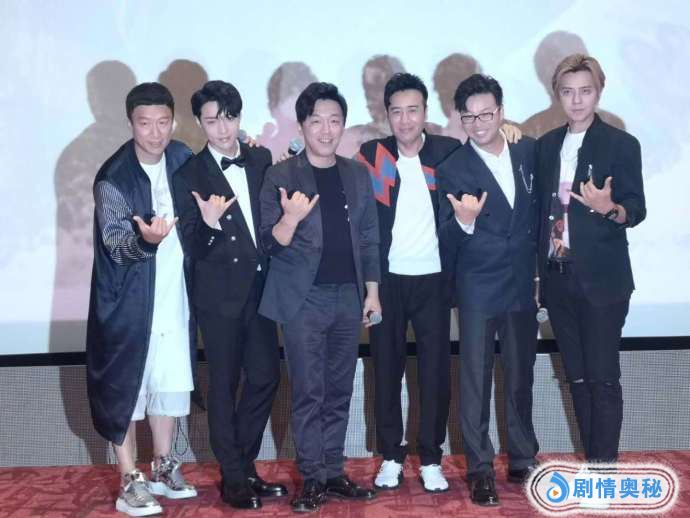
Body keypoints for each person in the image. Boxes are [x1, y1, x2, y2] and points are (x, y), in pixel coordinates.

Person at [259, 82, 380, 513]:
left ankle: (332, 471)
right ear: (302, 126)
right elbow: (268, 242)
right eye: (316, 121)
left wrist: (372, 292)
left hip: (348, 296)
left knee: (340, 390)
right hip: (302, 300)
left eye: (334, 121)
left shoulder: (356, 173)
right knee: (309, 392)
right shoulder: (281, 176)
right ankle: (311, 477)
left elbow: (369, 236)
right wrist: (290, 219)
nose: (326, 130)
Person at [172, 80, 286, 510]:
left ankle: (243, 464)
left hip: (261, 289)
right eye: (212, 121)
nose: (222, 129)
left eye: (229, 118)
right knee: (223, 385)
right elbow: (191, 245)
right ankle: (235, 477)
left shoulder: (259, 158)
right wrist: (209, 224)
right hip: (218, 297)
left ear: (240, 117)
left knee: (266, 376)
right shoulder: (189, 174)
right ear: (199, 123)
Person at [86, 82, 197, 517]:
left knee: (168, 381)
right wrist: (147, 242)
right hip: (127, 302)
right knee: (127, 387)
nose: (155, 133)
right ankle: (129, 478)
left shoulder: (182, 157)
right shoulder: (113, 177)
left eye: (163, 122)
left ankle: (163, 466)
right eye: (145, 124)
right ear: (130, 123)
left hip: (173, 293)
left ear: (173, 121)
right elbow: (116, 245)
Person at [536, 54, 645, 466]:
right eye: (568, 92)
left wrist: (609, 208)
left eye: (585, 91)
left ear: (599, 91)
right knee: (577, 379)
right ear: (558, 95)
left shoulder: (620, 144)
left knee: (602, 378)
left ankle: (605, 468)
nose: (577, 100)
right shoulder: (546, 146)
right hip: (557, 278)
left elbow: (636, 208)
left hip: (602, 282)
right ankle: (594, 464)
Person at [438, 74, 540, 506]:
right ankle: (480, 468)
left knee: (520, 376)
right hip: (478, 285)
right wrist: (463, 221)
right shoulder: (452, 168)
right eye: (469, 117)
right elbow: (444, 238)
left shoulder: (528, 151)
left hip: (522, 282)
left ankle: (522, 458)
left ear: (501, 112)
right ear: (459, 119)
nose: (478, 124)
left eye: (486, 114)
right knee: (476, 381)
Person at [356, 73, 458, 492]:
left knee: (435, 373)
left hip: (434, 280)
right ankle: (391, 456)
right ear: (386, 115)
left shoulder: (447, 153)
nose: (405, 119)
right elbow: (361, 221)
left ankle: (431, 457)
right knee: (386, 370)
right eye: (396, 111)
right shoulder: (373, 155)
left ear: (425, 112)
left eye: (412, 110)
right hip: (387, 282)